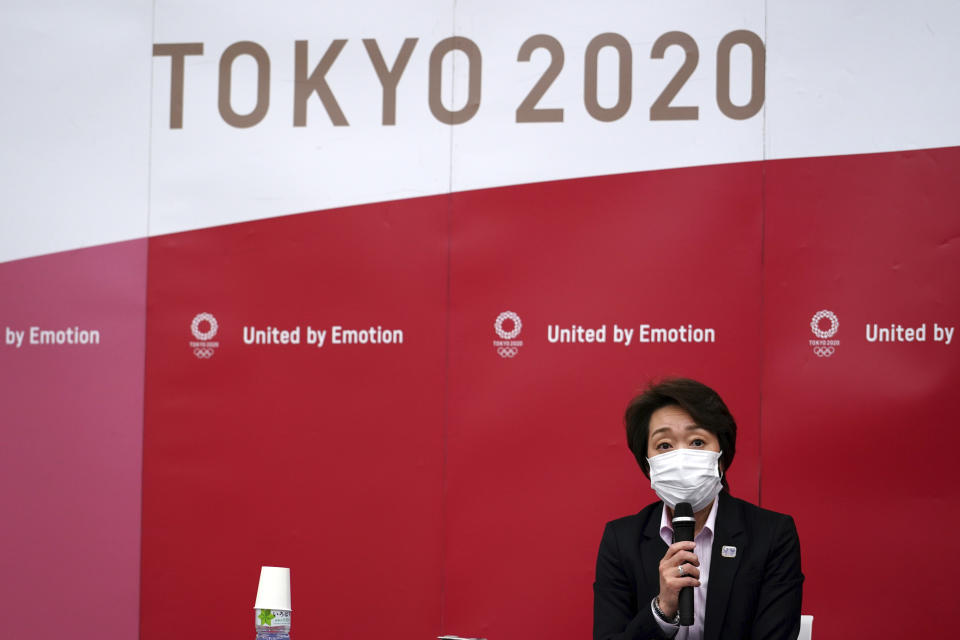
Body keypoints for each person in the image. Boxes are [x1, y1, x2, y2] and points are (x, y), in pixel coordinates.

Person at [593, 378, 803, 640]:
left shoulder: (771, 534)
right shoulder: (621, 540)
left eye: (697, 442)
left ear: (721, 458)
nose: (681, 458)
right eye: (665, 446)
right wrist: (663, 610)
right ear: (649, 466)